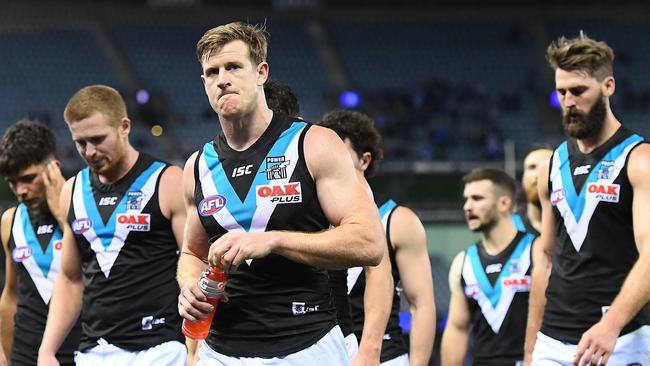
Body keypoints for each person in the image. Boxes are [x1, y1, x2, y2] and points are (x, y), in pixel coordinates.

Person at [177, 22, 385, 366]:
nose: (222, 79)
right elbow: (192, 253)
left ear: (261, 72)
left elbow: (370, 243)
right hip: (221, 352)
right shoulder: (197, 166)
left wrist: (274, 241)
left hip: (306, 347)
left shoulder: (314, 144)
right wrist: (188, 286)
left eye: (233, 67)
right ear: (204, 83)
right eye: (212, 72)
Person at [37, 85, 187, 365]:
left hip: (160, 350)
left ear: (124, 127)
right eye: (80, 143)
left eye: (97, 139)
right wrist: (47, 350)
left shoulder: (168, 181)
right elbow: (70, 278)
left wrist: (195, 348)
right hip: (94, 351)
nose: (90, 151)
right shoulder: (72, 190)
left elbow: (195, 263)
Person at [525, 32, 650, 365]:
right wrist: (532, 342)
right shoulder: (550, 165)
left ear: (608, 86)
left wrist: (610, 325)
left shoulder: (639, 159)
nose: (568, 102)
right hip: (552, 341)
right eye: (561, 92)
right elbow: (546, 257)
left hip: (621, 339)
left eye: (579, 91)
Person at [265, 83, 395, 363]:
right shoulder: (239, 174)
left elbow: (378, 266)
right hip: (253, 340)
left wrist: (370, 349)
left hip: (323, 339)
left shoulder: (316, 162)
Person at [321, 109, 436, 366]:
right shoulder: (310, 219)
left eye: (338, 150)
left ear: (364, 160)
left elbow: (422, 305)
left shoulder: (398, 220)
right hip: (324, 353)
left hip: (384, 357)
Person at [0, 120, 80, 365]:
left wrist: (61, 213)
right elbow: (12, 294)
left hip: (80, 350)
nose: (20, 190)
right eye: (13, 182)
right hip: (26, 354)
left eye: (28, 178)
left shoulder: (84, 206)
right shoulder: (11, 220)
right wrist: (4, 356)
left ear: (53, 168)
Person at [441, 168, 535, 365]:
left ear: (504, 202)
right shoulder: (463, 262)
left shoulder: (535, 251)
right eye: (466, 199)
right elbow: (457, 327)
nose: (467, 206)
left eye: (477, 198)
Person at [512, 145, 553, 235]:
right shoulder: (509, 227)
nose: (539, 174)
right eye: (532, 167)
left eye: (548, 166)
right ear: (522, 178)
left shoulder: (577, 224)